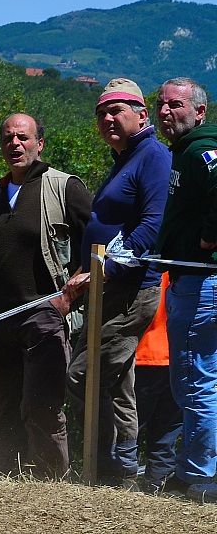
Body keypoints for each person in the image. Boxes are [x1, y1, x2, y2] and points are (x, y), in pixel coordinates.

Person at [0, 113, 91, 478]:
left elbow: (98, 247)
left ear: (40, 143)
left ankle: (50, 484)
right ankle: (8, 481)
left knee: (42, 406)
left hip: (44, 316)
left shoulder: (64, 187)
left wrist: (67, 299)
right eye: (8, 138)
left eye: (23, 137)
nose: (15, 144)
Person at [64, 78, 170, 486]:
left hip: (131, 290)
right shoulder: (126, 157)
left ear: (142, 116)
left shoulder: (153, 157)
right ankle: (122, 467)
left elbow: (152, 225)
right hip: (108, 287)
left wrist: (106, 269)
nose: (107, 118)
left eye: (116, 110)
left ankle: (109, 463)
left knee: (83, 376)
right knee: (118, 379)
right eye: (101, 113)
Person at [154, 77, 217, 502]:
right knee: (201, 378)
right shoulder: (187, 150)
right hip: (194, 279)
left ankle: (197, 477)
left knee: (196, 380)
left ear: (199, 112)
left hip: (200, 282)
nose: (165, 111)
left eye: (175, 104)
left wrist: (208, 237)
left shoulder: (199, 150)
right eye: (160, 104)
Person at [132, 273, 182, 493]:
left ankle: (125, 477)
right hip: (178, 356)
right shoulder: (185, 268)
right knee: (166, 431)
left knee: (132, 425)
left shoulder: (145, 267)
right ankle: (159, 481)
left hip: (145, 354)